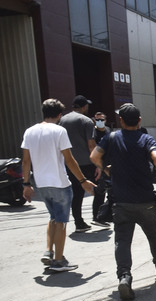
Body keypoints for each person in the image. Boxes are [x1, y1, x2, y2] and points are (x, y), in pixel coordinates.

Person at [90, 103, 156, 301]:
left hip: (121, 202)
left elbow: (94, 156)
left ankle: (124, 277)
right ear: (139, 121)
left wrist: (107, 169)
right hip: (145, 201)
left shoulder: (111, 138)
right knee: (154, 236)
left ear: (121, 120)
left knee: (122, 241)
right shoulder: (145, 138)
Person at [21, 99, 96, 271]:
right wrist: (83, 181)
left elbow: (26, 162)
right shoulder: (59, 131)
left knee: (53, 218)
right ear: (59, 115)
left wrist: (26, 184)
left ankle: (48, 251)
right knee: (61, 222)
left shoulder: (29, 131)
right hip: (60, 183)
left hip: (41, 183)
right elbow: (69, 160)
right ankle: (59, 260)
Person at [59, 95, 99, 232]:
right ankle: (98, 217)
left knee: (76, 193)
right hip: (86, 162)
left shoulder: (62, 120)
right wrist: (98, 164)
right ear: (84, 107)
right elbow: (91, 144)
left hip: (69, 162)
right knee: (100, 188)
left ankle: (79, 222)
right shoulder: (86, 121)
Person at [91, 112, 111, 227]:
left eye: (102, 119)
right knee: (100, 192)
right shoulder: (93, 133)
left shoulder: (108, 130)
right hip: (98, 166)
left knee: (110, 191)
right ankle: (97, 216)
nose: (100, 122)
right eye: (97, 119)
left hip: (108, 165)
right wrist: (98, 166)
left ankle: (104, 215)